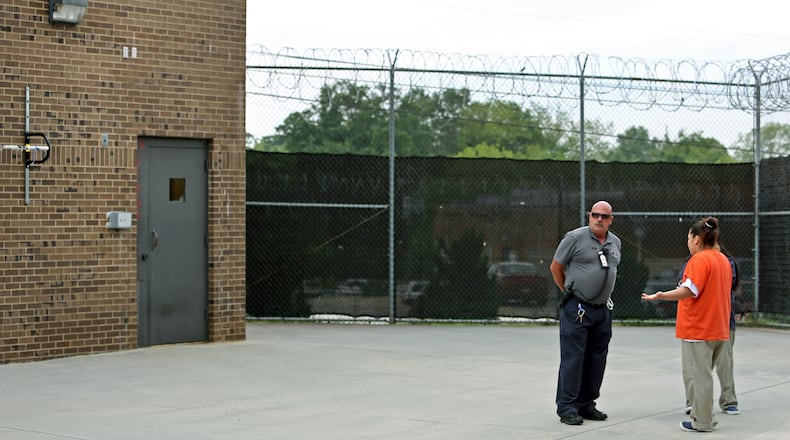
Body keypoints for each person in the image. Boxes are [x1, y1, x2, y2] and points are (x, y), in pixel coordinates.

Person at [642, 216, 732, 433]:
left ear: (697, 239)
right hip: (717, 327)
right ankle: (706, 416)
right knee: (705, 376)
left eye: (689, 238)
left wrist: (662, 295)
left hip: (698, 328)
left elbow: (690, 289)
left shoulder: (699, 261)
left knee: (698, 377)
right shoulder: (722, 260)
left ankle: (702, 422)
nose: (688, 243)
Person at [550, 201, 621, 426]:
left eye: (604, 216)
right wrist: (570, 292)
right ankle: (567, 407)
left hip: (602, 310)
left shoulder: (615, 242)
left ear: (611, 220)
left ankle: (586, 403)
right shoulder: (575, 238)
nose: (599, 219)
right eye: (595, 215)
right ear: (589, 216)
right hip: (578, 308)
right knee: (574, 358)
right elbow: (555, 267)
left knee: (597, 358)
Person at [678, 245, 740, 416]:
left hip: (722, 322)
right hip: (698, 325)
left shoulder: (726, 262)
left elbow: (725, 287)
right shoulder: (690, 262)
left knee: (724, 363)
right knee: (694, 368)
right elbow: (685, 288)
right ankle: (694, 403)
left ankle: (728, 401)